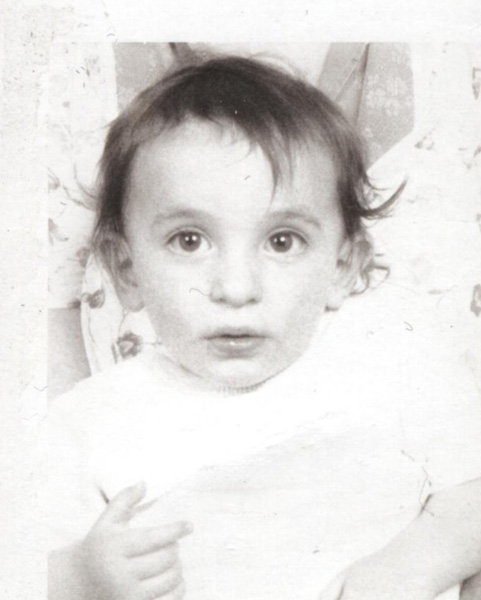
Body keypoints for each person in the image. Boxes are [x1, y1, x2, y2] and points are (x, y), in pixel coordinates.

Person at [48, 56, 481, 600]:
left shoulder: (391, 358)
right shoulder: (89, 422)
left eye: (282, 241)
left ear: (343, 267)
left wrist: (408, 568)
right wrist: (79, 576)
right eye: (189, 240)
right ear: (126, 269)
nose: (236, 288)